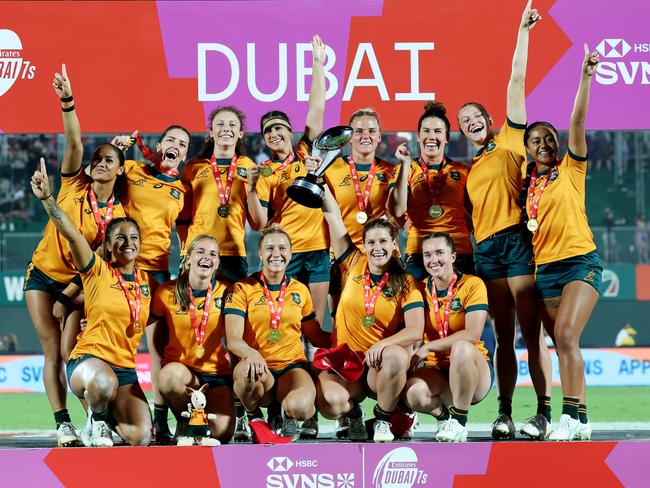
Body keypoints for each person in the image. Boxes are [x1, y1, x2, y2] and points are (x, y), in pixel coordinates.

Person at [457, 0, 552, 439]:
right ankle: (505, 413)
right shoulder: (471, 169)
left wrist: (524, 32)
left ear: (490, 121)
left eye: (477, 117)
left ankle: (545, 412)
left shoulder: (513, 137)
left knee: (532, 333)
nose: (472, 123)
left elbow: (516, 79)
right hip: (487, 251)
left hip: (517, 240)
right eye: (465, 122)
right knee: (503, 335)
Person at [24, 65, 126, 447]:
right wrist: (67, 100)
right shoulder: (72, 181)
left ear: (119, 170)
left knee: (73, 349)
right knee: (52, 349)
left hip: (78, 285)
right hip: (41, 276)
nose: (99, 163)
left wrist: (68, 296)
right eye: (97, 159)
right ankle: (62, 421)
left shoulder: (118, 215)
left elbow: (96, 260)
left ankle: (94, 421)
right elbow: (74, 141)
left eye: (108, 161)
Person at [31, 158, 153, 447]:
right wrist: (48, 199)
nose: (128, 242)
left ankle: (104, 418)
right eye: (120, 237)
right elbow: (71, 233)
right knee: (102, 384)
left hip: (124, 370)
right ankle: (96, 422)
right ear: (108, 245)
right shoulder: (97, 269)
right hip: (89, 362)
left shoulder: (146, 281)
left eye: (134, 237)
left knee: (141, 437)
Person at [522, 45, 602, 441]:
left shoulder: (571, 168)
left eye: (549, 138)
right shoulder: (525, 188)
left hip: (579, 263)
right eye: (536, 140)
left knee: (567, 337)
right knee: (564, 346)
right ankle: (582, 421)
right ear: (528, 149)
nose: (544, 144)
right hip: (544, 273)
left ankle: (569, 416)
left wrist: (585, 77)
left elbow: (578, 118)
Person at [315, 180, 424, 443]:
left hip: (378, 366)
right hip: (346, 364)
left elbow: (415, 330)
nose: (378, 248)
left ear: (394, 244)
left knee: (397, 357)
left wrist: (383, 345)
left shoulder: (406, 283)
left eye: (384, 241)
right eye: (371, 242)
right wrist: (321, 183)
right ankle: (354, 415)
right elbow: (333, 215)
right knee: (329, 402)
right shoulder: (353, 262)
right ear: (363, 245)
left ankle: (384, 419)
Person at [111, 126, 191, 443]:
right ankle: (103, 416)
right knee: (115, 346)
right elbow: (96, 181)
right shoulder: (130, 169)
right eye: (170, 139)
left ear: (185, 155)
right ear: (158, 145)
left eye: (182, 144)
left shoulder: (185, 190)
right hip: (121, 270)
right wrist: (115, 149)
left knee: (159, 351)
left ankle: (160, 421)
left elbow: (187, 231)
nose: (175, 146)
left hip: (157, 273)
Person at [247, 35, 329, 326]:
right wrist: (251, 190)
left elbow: (316, 110)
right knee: (289, 321)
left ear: (290, 130)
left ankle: (313, 370)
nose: (275, 134)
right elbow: (259, 223)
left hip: (320, 249)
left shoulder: (307, 152)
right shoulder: (266, 171)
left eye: (279, 127)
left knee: (316, 324)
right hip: (287, 251)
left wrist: (317, 64)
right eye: (268, 131)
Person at [223, 225, 331, 440]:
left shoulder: (300, 290)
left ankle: (289, 415)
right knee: (246, 374)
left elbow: (316, 335)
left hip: (291, 368)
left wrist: (347, 335)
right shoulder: (242, 288)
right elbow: (233, 340)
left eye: (282, 248)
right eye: (269, 248)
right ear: (260, 253)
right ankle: (254, 416)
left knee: (300, 407)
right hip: (258, 369)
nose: (276, 254)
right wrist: (252, 354)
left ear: (290, 254)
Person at [405, 232, 492, 442]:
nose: (433, 260)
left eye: (439, 253)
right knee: (413, 394)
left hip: (473, 373)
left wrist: (429, 347)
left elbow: (473, 334)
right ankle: (446, 418)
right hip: (439, 373)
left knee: (461, 347)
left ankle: (460, 422)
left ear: (453, 256)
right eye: (427, 255)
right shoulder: (418, 289)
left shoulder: (473, 285)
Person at [150, 235, 234, 444]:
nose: (206, 257)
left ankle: (197, 425)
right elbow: (136, 324)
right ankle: (184, 421)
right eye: (200, 252)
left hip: (215, 375)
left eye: (213, 254)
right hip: (182, 374)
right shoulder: (166, 292)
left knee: (221, 433)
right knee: (169, 376)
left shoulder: (229, 292)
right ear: (187, 259)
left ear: (217, 263)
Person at [389, 101, 474, 280]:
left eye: (438, 131)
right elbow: (397, 210)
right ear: (418, 136)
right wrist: (405, 165)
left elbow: (474, 213)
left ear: (447, 137)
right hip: (419, 252)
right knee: (414, 306)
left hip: (458, 251)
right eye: (426, 131)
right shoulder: (405, 169)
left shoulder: (462, 171)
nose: (431, 136)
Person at [323, 108, 396, 310]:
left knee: (386, 316)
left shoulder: (392, 171)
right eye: (359, 131)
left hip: (381, 255)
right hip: (342, 258)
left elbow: (401, 214)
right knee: (340, 320)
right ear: (349, 136)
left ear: (379, 136)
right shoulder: (331, 169)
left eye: (372, 131)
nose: (366, 136)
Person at [178, 106, 255, 284]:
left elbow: (255, 218)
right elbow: (182, 218)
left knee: (233, 310)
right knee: (193, 308)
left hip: (233, 252)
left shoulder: (249, 166)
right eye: (219, 124)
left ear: (240, 133)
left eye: (232, 124)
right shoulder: (193, 167)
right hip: (196, 251)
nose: (226, 128)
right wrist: (186, 248)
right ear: (211, 132)